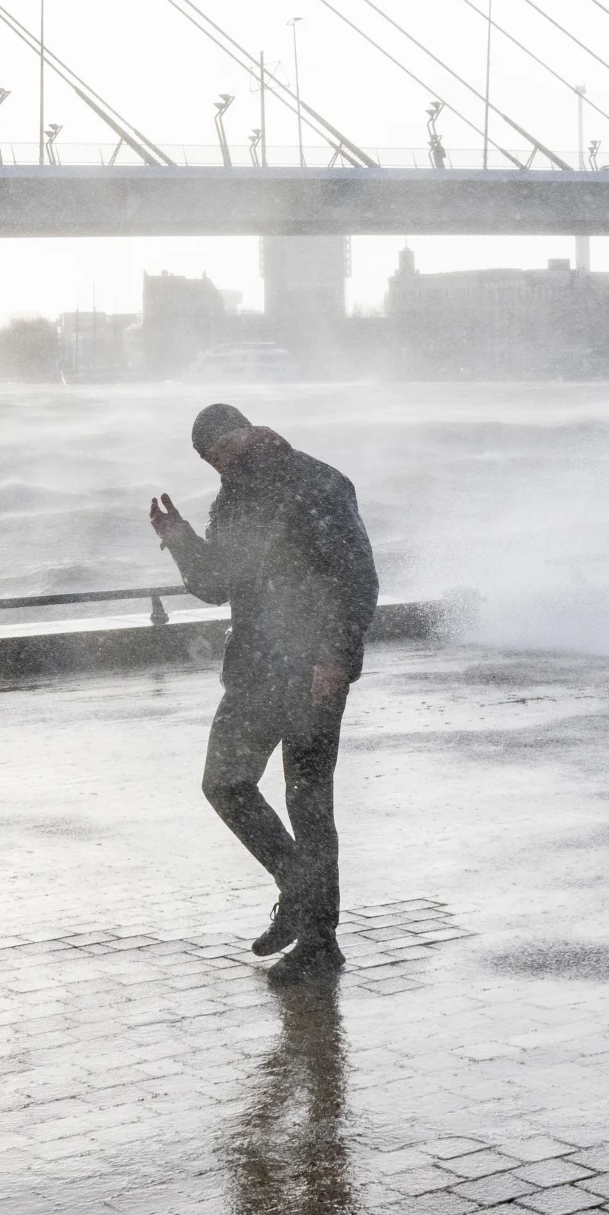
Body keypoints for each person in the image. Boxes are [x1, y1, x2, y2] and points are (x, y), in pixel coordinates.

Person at [149, 403, 377, 980]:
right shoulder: (232, 498)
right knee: (224, 783)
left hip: (311, 668)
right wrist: (179, 540)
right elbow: (217, 585)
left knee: (308, 802)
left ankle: (320, 944)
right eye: (209, 457)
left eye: (223, 446)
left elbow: (356, 576)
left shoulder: (317, 481)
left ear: (247, 430)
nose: (220, 462)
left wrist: (336, 658)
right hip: (254, 667)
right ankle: (299, 890)